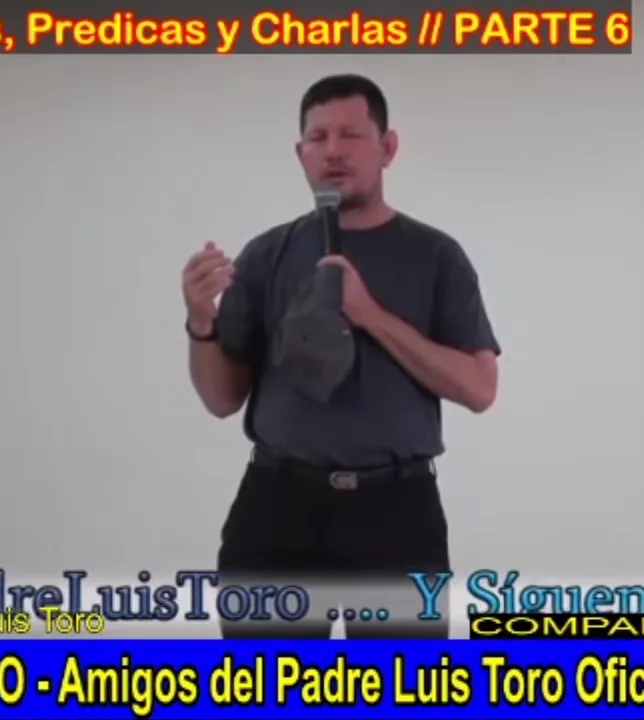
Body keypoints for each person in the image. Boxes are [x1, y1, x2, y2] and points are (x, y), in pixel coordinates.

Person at [181, 74, 501, 639]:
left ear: (388, 148)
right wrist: (201, 322)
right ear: (300, 154)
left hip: (396, 511)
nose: (333, 151)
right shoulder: (266, 255)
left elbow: (479, 388)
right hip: (277, 506)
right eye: (318, 137)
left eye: (351, 135)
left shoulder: (436, 256)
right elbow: (222, 400)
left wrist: (369, 314)